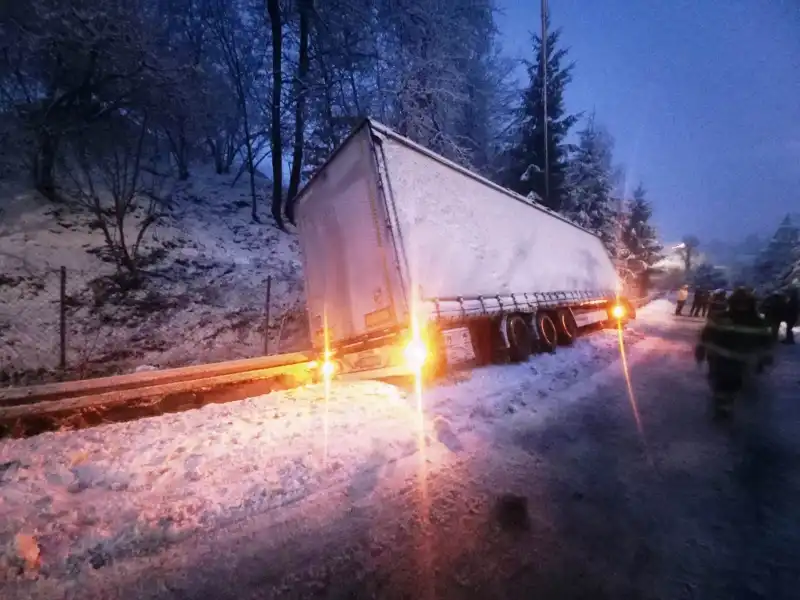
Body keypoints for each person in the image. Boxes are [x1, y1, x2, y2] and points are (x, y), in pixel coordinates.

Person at [694, 288, 774, 417]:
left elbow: (765, 341)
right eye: (739, 303)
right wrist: (701, 349)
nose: (741, 306)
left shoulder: (758, 322)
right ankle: (722, 403)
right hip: (720, 358)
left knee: (733, 382)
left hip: (739, 360)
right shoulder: (722, 318)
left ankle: (725, 404)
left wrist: (765, 356)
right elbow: (707, 335)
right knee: (720, 381)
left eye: (744, 303)